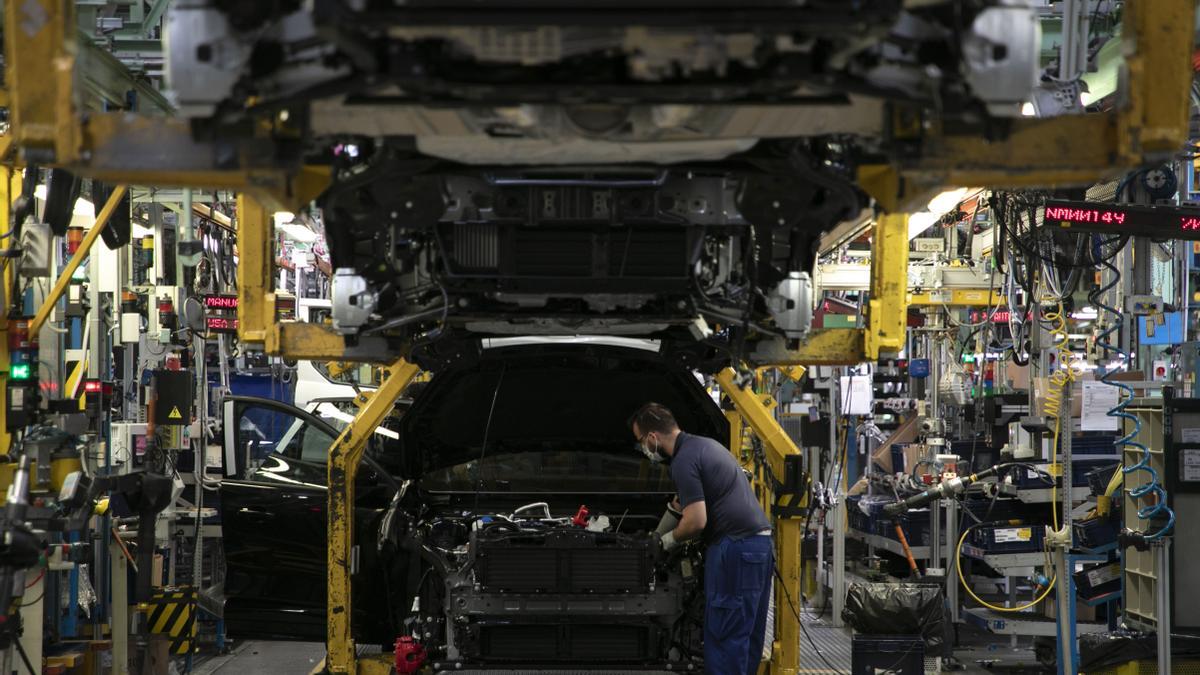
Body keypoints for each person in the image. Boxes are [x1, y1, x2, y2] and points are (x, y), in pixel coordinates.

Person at [628, 402, 773, 675]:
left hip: (735, 549)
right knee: (745, 637)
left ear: (652, 437)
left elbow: (696, 521)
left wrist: (665, 542)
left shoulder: (683, 460)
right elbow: (681, 503)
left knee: (725, 637)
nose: (643, 449)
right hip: (758, 546)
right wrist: (655, 534)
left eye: (640, 442)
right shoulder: (701, 447)